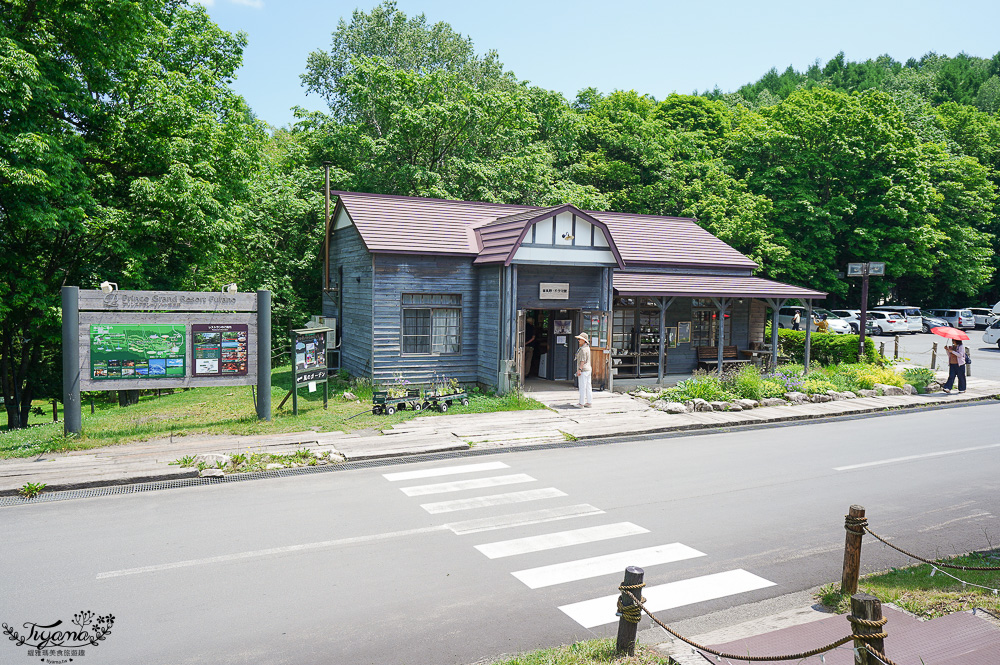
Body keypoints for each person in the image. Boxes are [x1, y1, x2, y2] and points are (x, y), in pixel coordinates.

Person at [574, 332, 592, 408]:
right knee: (588, 386)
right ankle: (589, 402)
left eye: (580, 339)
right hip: (588, 369)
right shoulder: (587, 348)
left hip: (583, 370)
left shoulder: (582, 349)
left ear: (584, 340)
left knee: (582, 387)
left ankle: (581, 403)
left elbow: (582, 361)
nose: (578, 340)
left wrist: (579, 370)